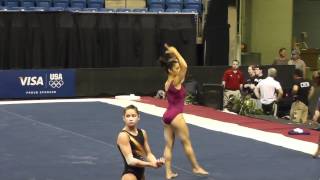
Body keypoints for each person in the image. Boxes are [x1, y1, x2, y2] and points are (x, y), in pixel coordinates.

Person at [159, 43, 208, 179]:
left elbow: (182, 68)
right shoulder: (176, 80)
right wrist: (176, 51)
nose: (179, 68)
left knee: (169, 145)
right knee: (186, 142)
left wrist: (174, 57)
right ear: (170, 70)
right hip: (176, 115)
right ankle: (195, 167)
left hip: (166, 116)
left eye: (178, 67)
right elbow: (185, 66)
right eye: (176, 68)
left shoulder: (168, 82)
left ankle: (168, 173)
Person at [117, 105, 165, 180]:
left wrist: (156, 162)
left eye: (133, 116)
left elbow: (148, 154)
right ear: (123, 118)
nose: (131, 119)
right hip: (129, 175)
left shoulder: (143, 132)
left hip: (141, 174)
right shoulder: (123, 135)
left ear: (138, 117)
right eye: (128, 116)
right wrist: (150, 164)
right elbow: (130, 161)